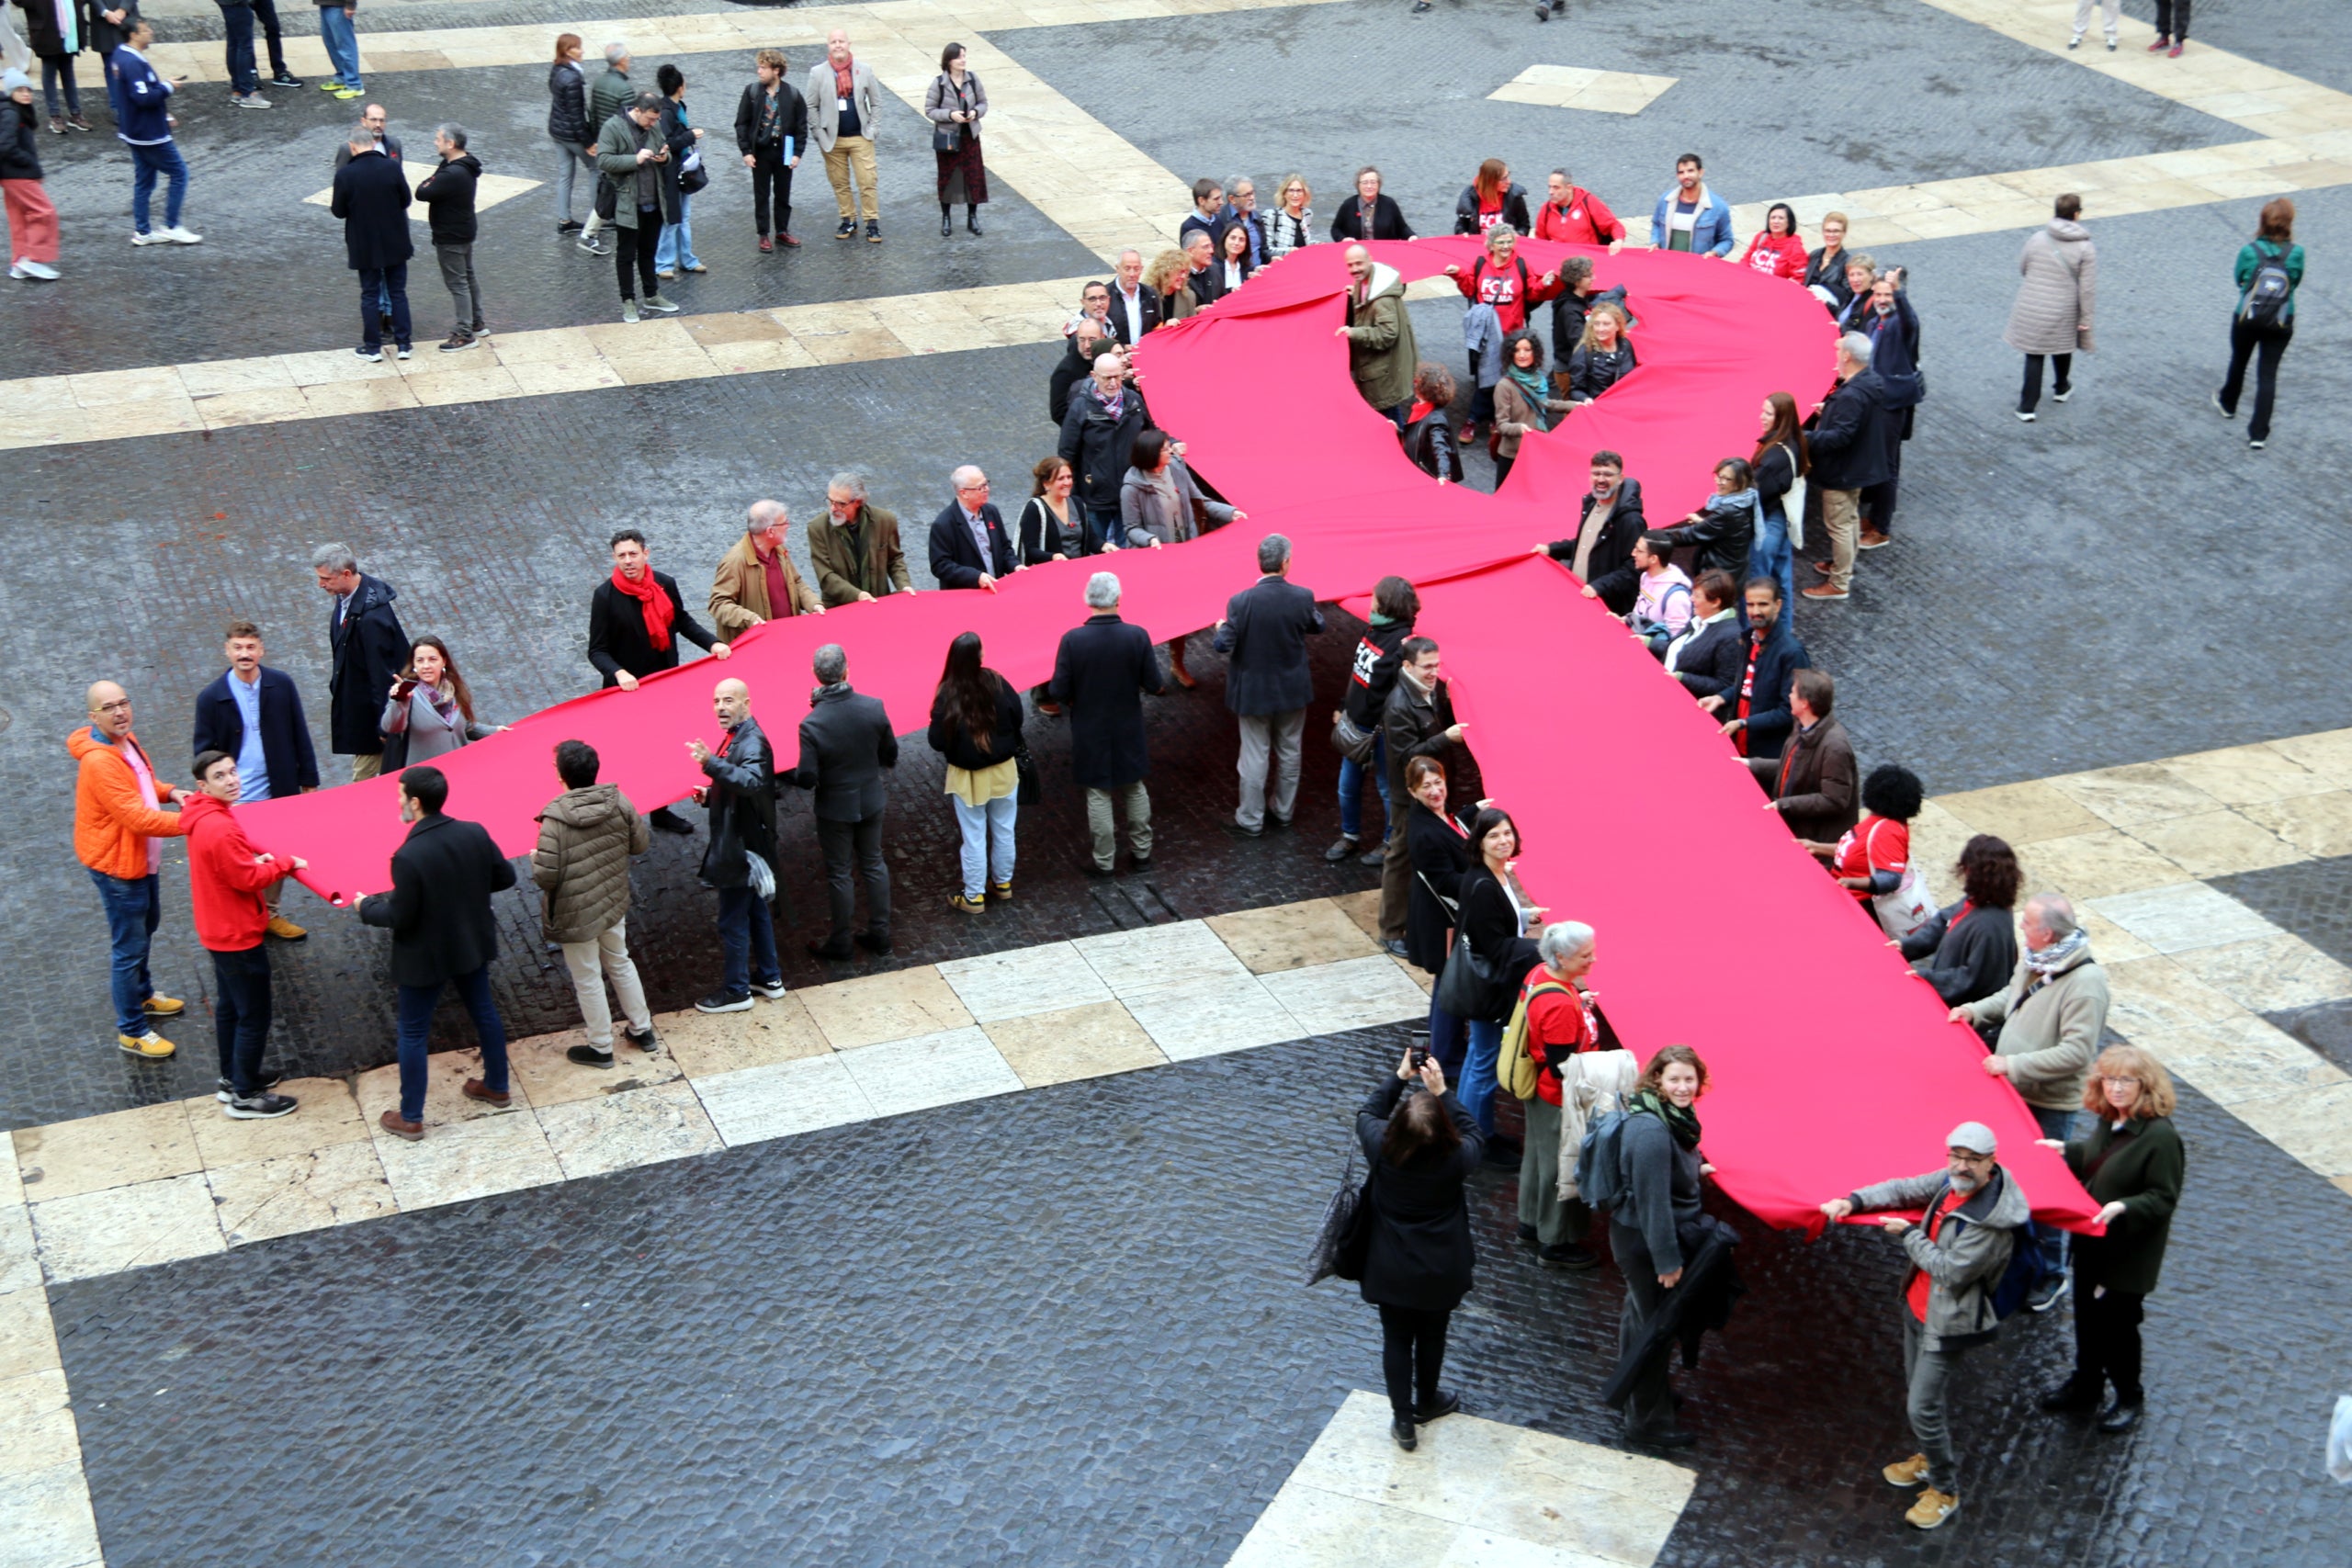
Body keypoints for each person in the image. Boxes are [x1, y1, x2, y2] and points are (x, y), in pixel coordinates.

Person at [1824, 1121, 2028, 1529]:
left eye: (1973, 1159)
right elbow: (1904, 1189)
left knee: (1923, 1406)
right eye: (1956, 1156)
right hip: (1917, 1310)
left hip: (1947, 1324)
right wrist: (1855, 1200)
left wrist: (1909, 1235)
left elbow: (1949, 1271)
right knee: (1920, 1402)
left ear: (1991, 1163)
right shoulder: (1951, 1182)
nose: (1962, 1166)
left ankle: (1944, 1487)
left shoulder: (1989, 1223)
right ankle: (1925, 1456)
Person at [1955, 891, 2108, 1311]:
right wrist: (1974, 1011)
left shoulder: (2087, 985)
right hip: (2014, 1091)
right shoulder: (2038, 957)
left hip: (2048, 1104)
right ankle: (2017, 1259)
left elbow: (2076, 1054)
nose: (2019, 927)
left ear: (2046, 932)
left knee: (2047, 1192)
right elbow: (2011, 996)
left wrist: (2013, 1064)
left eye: (2026, 923)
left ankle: (2052, 1274)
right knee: (2009, 1179)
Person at [359, 766, 516, 1142]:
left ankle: (411, 1116)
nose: (397, 802)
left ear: (415, 802)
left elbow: (399, 915)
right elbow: (505, 877)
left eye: (400, 795)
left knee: (412, 1031)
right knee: (484, 1013)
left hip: (425, 956)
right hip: (469, 945)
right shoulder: (474, 833)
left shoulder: (408, 856)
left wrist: (365, 907)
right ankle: (497, 1085)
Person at [2039, 1045, 2185, 1434]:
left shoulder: (2161, 1138)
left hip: (2125, 1255)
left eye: (2125, 1080)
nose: (2116, 1088)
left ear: (2145, 1085)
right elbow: (2095, 1155)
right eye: (2109, 1079)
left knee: (2119, 1328)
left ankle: (2128, 1396)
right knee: (2087, 1319)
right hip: (2091, 1242)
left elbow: (2163, 1197)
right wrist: (2066, 1151)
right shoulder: (2110, 1120)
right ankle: (2086, 1384)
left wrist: (2124, 1206)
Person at [1355, 1048, 1482, 1453]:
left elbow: (1367, 1114)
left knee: (1396, 1338)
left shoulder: (1383, 1149)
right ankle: (1427, 1398)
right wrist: (1442, 1091)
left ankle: (1403, 1419)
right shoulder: (1456, 1159)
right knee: (1433, 1333)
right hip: (1441, 1267)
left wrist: (1400, 1076)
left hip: (1390, 1267)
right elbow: (1475, 1133)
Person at [183, 750, 302, 1117]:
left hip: (218, 929)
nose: (232, 780)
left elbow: (231, 867)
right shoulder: (221, 825)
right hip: (237, 934)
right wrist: (285, 863)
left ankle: (233, 1077)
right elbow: (246, 879)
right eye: (221, 776)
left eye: (233, 772)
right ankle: (246, 1096)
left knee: (231, 1009)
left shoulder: (205, 816)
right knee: (254, 1014)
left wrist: (252, 860)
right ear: (203, 785)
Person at [72, 681, 186, 1061]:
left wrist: (170, 792)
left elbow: (141, 784)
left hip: (140, 860)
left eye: (123, 703)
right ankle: (132, 1030)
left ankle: (143, 995)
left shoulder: (124, 741)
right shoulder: (99, 760)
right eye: (109, 707)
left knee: (147, 927)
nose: (120, 712)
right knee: (129, 947)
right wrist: (195, 821)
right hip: (120, 867)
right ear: (93, 717)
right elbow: (135, 816)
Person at [1609, 1044, 1715, 1448]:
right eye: (1675, 1079)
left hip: (1639, 1238)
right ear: (1658, 1080)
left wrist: (1694, 1171)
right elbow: (1653, 1203)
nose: (1684, 1087)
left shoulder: (1667, 1116)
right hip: (1646, 1243)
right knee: (1655, 1332)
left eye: (1689, 1079)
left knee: (1638, 1320)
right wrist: (1668, 1261)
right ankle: (1647, 1421)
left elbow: (1669, 1173)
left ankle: (1636, 1394)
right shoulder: (1652, 1130)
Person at [591, 528, 729, 829]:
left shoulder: (664, 584)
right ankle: (628, 811)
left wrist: (712, 643)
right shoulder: (605, 597)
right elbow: (597, 650)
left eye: (633, 554)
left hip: (665, 685)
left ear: (645, 554)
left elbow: (682, 621)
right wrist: (618, 672)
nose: (628, 560)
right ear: (614, 558)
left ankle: (660, 810)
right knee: (634, 754)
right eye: (621, 556)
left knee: (665, 747)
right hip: (628, 691)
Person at [532, 739, 658, 1068]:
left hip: (576, 915)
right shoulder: (619, 801)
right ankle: (642, 1030)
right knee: (620, 960)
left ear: (562, 776)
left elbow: (546, 878)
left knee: (588, 976)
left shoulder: (554, 821)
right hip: (613, 902)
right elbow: (640, 844)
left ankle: (601, 1047)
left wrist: (535, 860)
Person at [190, 620, 317, 940]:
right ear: (227, 650)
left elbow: (299, 732)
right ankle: (248, 917)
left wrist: (308, 780)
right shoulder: (210, 698)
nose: (244, 654)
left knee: (276, 853)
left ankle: (270, 913)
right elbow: (202, 753)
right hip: (235, 797)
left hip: (279, 788)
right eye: (238, 647)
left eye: (250, 647)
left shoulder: (282, 684)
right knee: (241, 860)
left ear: (261, 650)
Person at [1433, 806, 1541, 1152]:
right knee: (1484, 1060)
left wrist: (1524, 915)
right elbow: (1494, 945)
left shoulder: (1495, 875)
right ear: (1479, 842)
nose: (1503, 840)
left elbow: (1497, 921)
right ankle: (1478, 1138)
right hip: (1487, 989)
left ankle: (1465, 1129)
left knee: (1478, 1056)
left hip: (1484, 986)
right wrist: (1540, 949)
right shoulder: (1482, 885)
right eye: (1493, 835)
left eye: (1507, 833)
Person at [785, 644, 897, 959]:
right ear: (847, 670)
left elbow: (806, 778)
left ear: (815, 677)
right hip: (871, 798)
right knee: (874, 863)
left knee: (839, 873)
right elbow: (890, 754)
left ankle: (842, 941)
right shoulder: (874, 707)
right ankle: (881, 934)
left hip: (835, 808)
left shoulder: (812, 724)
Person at [1048, 571, 1164, 876]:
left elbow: (1057, 690)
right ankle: (1142, 854)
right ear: (1117, 599)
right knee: (1134, 787)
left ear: (1089, 600)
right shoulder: (1137, 635)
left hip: (1090, 727)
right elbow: (1154, 683)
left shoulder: (1072, 640)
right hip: (1128, 725)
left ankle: (1105, 861)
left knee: (1098, 793)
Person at [1213, 534, 1322, 838]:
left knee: (1254, 755)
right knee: (1290, 751)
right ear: (1285, 562)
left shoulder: (1240, 602)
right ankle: (1283, 811)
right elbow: (1318, 625)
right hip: (1292, 689)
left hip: (1254, 693)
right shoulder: (1303, 596)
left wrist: (1221, 629)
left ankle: (1250, 818)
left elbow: (1223, 645)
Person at [686, 678, 784, 1012]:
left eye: (728, 701)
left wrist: (710, 763)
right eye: (716, 701)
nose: (720, 708)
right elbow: (738, 784)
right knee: (755, 911)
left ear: (746, 703)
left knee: (732, 920)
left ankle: (737, 991)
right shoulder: (741, 737)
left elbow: (751, 782)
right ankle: (769, 978)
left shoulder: (752, 742)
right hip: (746, 841)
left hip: (741, 848)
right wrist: (710, 795)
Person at [1515, 921, 1603, 1269]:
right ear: (1562, 957)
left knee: (1538, 1160)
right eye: (1586, 955)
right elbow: (1561, 1066)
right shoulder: (1561, 1007)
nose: (1593, 960)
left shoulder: (1540, 974)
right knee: (1563, 1169)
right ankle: (1556, 1241)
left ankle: (1530, 1224)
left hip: (1540, 1093)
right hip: (1559, 1098)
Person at [1377, 637, 1469, 954]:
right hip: (1411, 796)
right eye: (1427, 667)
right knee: (1400, 858)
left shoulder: (1424, 691)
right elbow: (1406, 758)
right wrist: (1445, 738)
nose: (1434, 672)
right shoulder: (1399, 705)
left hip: (1427, 791)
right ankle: (1390, 930)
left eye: (1437, 665)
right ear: (1407, 666)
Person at [927, 632, 1023, 912]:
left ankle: (974, 896)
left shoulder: (948, 693)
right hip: (1004, 771)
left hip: (968, 778)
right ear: (979, 656)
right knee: (1005, 830)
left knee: (974, 836)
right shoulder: (996, 681)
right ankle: (1002, 884)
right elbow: (1018, 716)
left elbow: (936, 740)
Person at [1800, 333, 1893, 602]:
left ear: (1847, 356)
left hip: (1843, 470)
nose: (1835, 354)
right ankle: (1844, 567)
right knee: (1849, 519)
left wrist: (1801, 436)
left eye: (1837, 350)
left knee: (1839, 525)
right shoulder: (1870, 382)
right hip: (1859, 466)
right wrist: (1828, 412)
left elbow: (1840, 437)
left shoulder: (1851, 394)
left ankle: (1839, 582)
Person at [1330, 575, 1417, 865]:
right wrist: (1345, 705)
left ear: (1387, 604)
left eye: (1375, 597)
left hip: (1380, 732)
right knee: (1347, 786)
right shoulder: (1374, 630)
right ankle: (1349, 836)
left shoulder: (1401, 644)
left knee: (1387, 789)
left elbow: (1390, 691)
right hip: (1358, 724)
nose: (1371, 602)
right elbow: (1358, 674)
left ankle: (1389, 842)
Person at [313, 544, 407, 781]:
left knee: (362, 785)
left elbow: (382, 676)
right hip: (364, 717)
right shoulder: (348, 598)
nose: (321, 584)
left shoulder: (371, 619)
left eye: (326, 579)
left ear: (346, 574)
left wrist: (383, 728)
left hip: (373, 726)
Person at [2215, 197, 2301, 450]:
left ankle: (2228, 404)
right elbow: (2294, 281)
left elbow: (2239, 279)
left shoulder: (2249, 251)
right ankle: (2259, 433)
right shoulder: (2296, 253)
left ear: (2262, 222)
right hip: (2282, 319)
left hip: (2247, 317)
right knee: (2268, 374)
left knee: (2239, 361)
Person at [1902, 834, 2023, 1008]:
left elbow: (1972, 979)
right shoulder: (1980, 899)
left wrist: (1927, 978)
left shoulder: (1989, 926)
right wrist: (1907, 946)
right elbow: (1945, 919)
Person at [594, 91, 682, 323]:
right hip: (627, 203)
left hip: (653, 201)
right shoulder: (613, 127)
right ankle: (628, 301)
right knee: (625, 255)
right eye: (650, 119)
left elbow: (666, 150)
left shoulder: (653, 127)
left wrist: (665, 157)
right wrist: (635, 159)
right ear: (637, 110)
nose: (654, 124)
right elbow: (603, 160)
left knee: (648, 252)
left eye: (656, 120)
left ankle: (651, 295)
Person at [2006, 194, 2094, 422]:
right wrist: (2086, 317)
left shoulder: (2037, 238)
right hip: (2064, 306)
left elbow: (2023, 266)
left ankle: (2027, 407)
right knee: (2063, 344)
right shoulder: (2085, 247)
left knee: (2034, 354)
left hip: (2032, 303)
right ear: (2076, 214)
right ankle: (2061, 387)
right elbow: (2087, 288)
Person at [1702, 577, 1808, 761]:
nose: (1755, 611)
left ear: (1778, 605)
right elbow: (1748, 685)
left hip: (1766, 755)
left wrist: (1744, 723)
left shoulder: (1792, 653)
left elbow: (1790, 711)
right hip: (1740, 745)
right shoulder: (1749, 639)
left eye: (1762, 604)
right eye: (1750, 605)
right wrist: (1721, 697)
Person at [113, 19, 198, 245]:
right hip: (148, 134)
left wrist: (163, 113)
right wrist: (168, 87)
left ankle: (143, 232)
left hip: (134, 130)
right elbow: (142, 97)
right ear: (133, 35)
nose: (151, 33)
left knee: (144, 181)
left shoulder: (121, 56)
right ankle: (171, 226)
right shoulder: (132, 62)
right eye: (146, 30)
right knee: (179, 173)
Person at [332, 120, 411, 360]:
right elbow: (405, 200)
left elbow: (339, 211)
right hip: (395, 239)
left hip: (364, 243)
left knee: (369, 294)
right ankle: (404, 345)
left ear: (352, 147)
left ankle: (373, 347)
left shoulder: (346, 175)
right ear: (372, 144)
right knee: (398, 292)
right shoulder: (391, 168)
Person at [1749, 669, 1856, 844]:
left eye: (1792, 692)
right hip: (1796, 828)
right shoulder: (1802, 727)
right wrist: (1752, 765)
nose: (1789, 696)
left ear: (1804, 703)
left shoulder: (1835, 747)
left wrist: (1784, 804)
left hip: (1815, 841)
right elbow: (1791, 767)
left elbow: (1834, 800)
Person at [1059, 353, 1152, 551]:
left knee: (1127, 549)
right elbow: (1067, 453)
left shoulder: (1133, 402)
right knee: (1097, 549)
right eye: (1107, 378)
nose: (1113, 383)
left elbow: (1151, 434)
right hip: (1094, 495)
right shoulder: (1080, 408)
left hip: (1129, 491)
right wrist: (1073, 495)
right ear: (1094, 376)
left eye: (1117, 376)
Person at [1855, 268, 1921, 546]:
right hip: (1877, 401)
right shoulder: (1875, 324)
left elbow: (1912, 322)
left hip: (1893, 404)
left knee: (1888, 466)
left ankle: (1882, 527)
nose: (1883, 298)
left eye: (1888, 294)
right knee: (1877, 460)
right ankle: (1874, 516)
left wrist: (1899, 293)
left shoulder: (1900, 323)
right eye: (1879, 293)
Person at [1539, 450, 1645, 612]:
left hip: (1603, 605)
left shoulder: (1631, 520)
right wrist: (1552, 549)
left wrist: (1599, 587)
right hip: (1580, 594)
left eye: (1608, 475)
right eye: (1596, 473)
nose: (1601, 479)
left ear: (1620, 479)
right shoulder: (1591, 504)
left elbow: (1634, 568)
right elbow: (1585, 544)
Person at [1815, 763, 1924, 919]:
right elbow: (1853, 851)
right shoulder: (1877, 820)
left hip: (1858, 911)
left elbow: (1891, 879)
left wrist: (1850, 883)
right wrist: (1815, 847)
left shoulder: (1888, 831)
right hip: (1845, 901)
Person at [415, 123, 485, 352]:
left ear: (450, 143)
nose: (435, 142)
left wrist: (430, 181)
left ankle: (464, 334)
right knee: (468, 276)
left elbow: (422, 191)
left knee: (457, 283)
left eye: (438, 139)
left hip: (450, 235)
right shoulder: (461, 165)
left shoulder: (452, 173)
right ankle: (477, 322)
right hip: (464, 229)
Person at [379, 636, 500, 768]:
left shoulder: (453, 689)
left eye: (432, 659)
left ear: (443, 662)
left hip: (459, 769)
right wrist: (400, 701)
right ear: (414, 664)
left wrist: (495, 731)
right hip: (426, 779)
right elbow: (391, 727)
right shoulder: (406, 693)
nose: (426, 666)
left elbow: (463, 727)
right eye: (420, 660)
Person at [710, 499, 823, 637]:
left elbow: (796, 582)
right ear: (770, 531)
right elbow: (719, 604)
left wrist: (813, 604)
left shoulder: (779, 550)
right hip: (757, 643)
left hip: (787, 635)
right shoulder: (734, 562)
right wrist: (749, 619)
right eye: (784, 522)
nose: (788, 526)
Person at [1401, 756, 1470, 977]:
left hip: (1447, 920)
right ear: (1413, 792)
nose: (1435, 791)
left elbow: (1450, 835)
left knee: (1451, 987)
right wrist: (1488, 876)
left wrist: (1472, 812)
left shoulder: (1439, 813)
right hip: (1443, 925)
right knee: (1451, 986)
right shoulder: (1424, 834)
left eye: (1438, 782)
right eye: (1426, 786)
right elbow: (1444, 882)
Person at [809, 28, 880, 243]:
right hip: (833, 140)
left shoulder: (864, 70)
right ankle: (848, 220)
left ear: (849, 44)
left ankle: (872, 222)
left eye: (841, 41)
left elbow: (876, 102)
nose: (838, 45)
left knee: (867, 180)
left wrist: (873, 128)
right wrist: (819, 134)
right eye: (833, 42)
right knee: (839, 182)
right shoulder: (818, 73)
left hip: (860, 137)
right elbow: (811, 106)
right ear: (828, 46)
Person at [1337, 243, 1418, 429]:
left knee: (1388, 418)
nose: (1354, 269)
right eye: (1350, 265)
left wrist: (1353, 332)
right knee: (1389, 414)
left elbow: (1387, 334)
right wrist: (1355, 295)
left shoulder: (1382, 299)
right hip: (1381, 370)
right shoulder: (1367, 283)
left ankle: (1405, 450)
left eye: (1359, 263)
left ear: (1370, 260)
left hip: (1382, 373)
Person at [1118, 426, 1234, 555]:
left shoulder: (1177, 469)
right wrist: (1149, 539)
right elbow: (1132, 528)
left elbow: (1200, 501)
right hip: (1156, 552)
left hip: (1187, 540)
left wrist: (1231, 513)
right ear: (1151, 454)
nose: (1170, 452)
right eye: (1165, 449)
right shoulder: (1131, 488)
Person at [735, 47, 805, 253]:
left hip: (783, 151)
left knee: (783, 193)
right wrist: (746, 151)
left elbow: (801, 127)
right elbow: (742, 123)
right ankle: (763, 233)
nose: (759, 71)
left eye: (763, 67)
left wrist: (797, 153)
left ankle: (782, 231)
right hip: (761, 151)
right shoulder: (752, 92)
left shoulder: (792, 94)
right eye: (759, 67)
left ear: (776, 70)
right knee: (762, 193)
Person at [808, 473, 913, 605]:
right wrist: (857, 595)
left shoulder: (885, 520)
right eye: (830, 501)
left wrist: (904, 586)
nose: (833, 508)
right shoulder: (817, 528)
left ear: (857, 502)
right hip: (840, 608)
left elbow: (895, 559)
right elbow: (826, 576)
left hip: (878, 603)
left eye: (840, 504)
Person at [1654, 457, 1758, 583]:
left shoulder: (1728, 511)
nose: (1720, 482)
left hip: (1718, 579)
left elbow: (1691, 535)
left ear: (1739, 483)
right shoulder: (1749, 500)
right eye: (1719, 476)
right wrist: (1706, 523)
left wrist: (1656, 536)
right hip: (1734, 572)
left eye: (1727, 479)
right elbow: (1728, 530)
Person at [1747, 392, 1806, 607]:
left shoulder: (1773, 457)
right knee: (1782, 581)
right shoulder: (1794, 442)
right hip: (1784, 517)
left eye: (1768, 414)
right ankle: (1781, 631)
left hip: (1769, 520)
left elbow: (1757, 494)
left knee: (1758, 583)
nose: (1762, 417)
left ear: (1780, 419)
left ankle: (1756, 635)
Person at [924, 42, 987, 237]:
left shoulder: (973, 80)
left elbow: (983, 103)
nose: (963, 60)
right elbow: (930, 110)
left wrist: (975, 112)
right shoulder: (939, 83)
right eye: (959, 56)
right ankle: (946, 218)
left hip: (970, 136)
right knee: (948, 177)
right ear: (949, 61)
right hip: (949, 138)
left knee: (973, 176)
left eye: (964, 56)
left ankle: (972, 217)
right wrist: (951, 115)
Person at [651, 63, 707, 282]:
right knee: (673, 218)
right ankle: (663, 263)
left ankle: (687, 259)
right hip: (671, 172)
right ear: (680, 87)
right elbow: (666, 143)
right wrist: (690, 136)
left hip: (680, 168)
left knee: (682, 217)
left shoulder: (675, 107)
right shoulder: (668, 112)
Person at [928, 465, 1021, 591]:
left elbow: (1004, 548)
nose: (987, 489)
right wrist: (975, 577)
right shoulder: (944, 524)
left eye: (986, 484)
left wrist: (1015, 566)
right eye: (980, 488)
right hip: (966, 597)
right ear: (964, 493)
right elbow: (940, 566)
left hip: (996, 590)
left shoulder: (991, 512)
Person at [1488, 334, 1565, 489]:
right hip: (1513, 455)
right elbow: (1502, 425)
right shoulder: (1504, 386)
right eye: (1517, 350)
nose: (1522, 355)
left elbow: (1546, 404)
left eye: (1527, 350)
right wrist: (1519, 428)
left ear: (1535, 353)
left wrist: (1577, 405)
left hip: (1536, 452)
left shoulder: (1538, 379)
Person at [577, 40, 630, 254]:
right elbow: (627, 122)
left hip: (603, 141)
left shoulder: (599, 82)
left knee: (610, 188)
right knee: (610, 190)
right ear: (622, 61)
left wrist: (596, 140)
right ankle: (589, 234)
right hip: (618, 147)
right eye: (628, 57)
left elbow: (593, 113)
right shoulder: (625, 89)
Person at [2, 72, 55, 280]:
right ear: (11, 92)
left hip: (9, 174)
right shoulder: (12, 114)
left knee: (19, 217)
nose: (26, 94)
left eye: (28, 90)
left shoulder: (12, 111)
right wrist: (30, 164)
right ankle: (33, 258)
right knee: (44, 212)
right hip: (18, 173)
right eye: (20, 90)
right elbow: (6, 145)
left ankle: (19, 261)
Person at [1661, 571, 1743, 705]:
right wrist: (1648, 642)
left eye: (1697, 596)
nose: (1691, 599)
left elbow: (1724, 685)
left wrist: (1682, 678)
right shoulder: (1699, 619)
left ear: (1715, 602)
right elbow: (1679, 649)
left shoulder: (1731, 637)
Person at [547, 34, 594, 238]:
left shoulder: (557, 69)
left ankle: (564, 219)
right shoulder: (573, 78)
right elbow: (576, 116)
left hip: (557, 131)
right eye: (578, 48)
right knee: (596, 169)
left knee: (565, 176)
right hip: (571, 134)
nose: (582, 51)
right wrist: (588, 142)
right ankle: (598, 217)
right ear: (567, 51)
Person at [1613, 533, 1690, 654]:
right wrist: (1625, 621)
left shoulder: (1677, 597)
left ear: (1653, 559)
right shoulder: (1645, 576)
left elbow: (1675, 644)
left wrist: (1648, 642)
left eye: (1639, 551)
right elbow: (1640, 611)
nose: (1633, 553)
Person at [1649, 152, 1732, 257]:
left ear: (1701, 172)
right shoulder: (1665, 200)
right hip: (1667, 264)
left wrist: (1715, 253)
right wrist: (1655, 242)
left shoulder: (1718, 207)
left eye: (1690, 171)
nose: (1686, 176)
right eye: (1681, 172)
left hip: (1697, 268)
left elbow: (1726, 240)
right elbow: (1656, 224)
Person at [1400, 363, 1462, 484]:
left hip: (1424, 474)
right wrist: (1398, 431)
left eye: (1417, 383)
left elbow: (1440, 446)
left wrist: (1443, 474)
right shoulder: (1422, 409)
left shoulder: (1435, 419)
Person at [1532, 166, 1623, 247]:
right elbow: (1540, 240)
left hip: (1586, 261)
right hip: (1560, 262)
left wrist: (1618, 241)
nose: (1550, 192)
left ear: (1568, 188)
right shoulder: (1546, 209)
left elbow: (1613, 225)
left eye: (1556, 188)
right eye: (1550, 187)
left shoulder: (1588, 202)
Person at [1017, 454, 1081, 566]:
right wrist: (1053, 556)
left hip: (1078, 570)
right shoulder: (1034, 509)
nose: (1067, 482)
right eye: (1061, 478)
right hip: (1051, 573)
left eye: (1069, 477)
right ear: (1046, 484)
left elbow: (1091, 539)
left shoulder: (1077, 503)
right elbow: (1031, 550)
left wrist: (1104, 546)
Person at [1048, 314, 1112, 428]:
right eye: (1082, 340)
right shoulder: (1065, 372)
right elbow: (1058, 413)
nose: (1087, 345)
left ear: (1103, 337)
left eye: (1092, 340)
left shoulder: (1107, 357)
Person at [1566, 302, 1635, 403]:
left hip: (1624, 405)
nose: (1600, 329)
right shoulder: (1584, 353)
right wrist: (1585, 399)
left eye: (1606, 324)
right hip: (1600, 409)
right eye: (1597, 324)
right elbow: (1576, 390)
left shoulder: (1625, 345)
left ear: (1617, 326)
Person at [1329, 165, 1412, 243]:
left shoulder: (1389, 204)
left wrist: (1411, 236)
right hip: (1357, 252)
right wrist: (1343, 239)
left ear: (1379, 184)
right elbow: (1335, 229)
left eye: (1373, 182)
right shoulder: (1348, 205)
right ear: (1358, 185)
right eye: (1365, 182)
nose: (1369, 186)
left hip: (1385, 251)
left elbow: (1402, 228)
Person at [1453, 157, 1531, 236]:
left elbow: (1524, 225)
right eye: (1504, 179)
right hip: (1478, 246)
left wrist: (1519, 234)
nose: (1509, 182)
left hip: (1506, 246)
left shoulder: (1515, 197)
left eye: (1508, 176)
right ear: (1490, 182)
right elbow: (1461, 224)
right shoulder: (1470, 198)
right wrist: (1462, 233)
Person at [1103, 247, 1159, 344]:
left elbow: (1157, 325)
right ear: (1118, 269)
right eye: (1127, 269)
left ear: (1141, 269)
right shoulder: (1105, 295)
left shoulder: (1150, 294)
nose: (1132, 274)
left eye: (1136, 269)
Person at [1738, 202, 1806, 278]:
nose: (1776, 221)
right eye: (1773, 218)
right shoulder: (1761, 237)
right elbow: (1746, 259)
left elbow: (1799, 277)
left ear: (1789, 223)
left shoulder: (1795, 248)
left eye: (1781, 218)